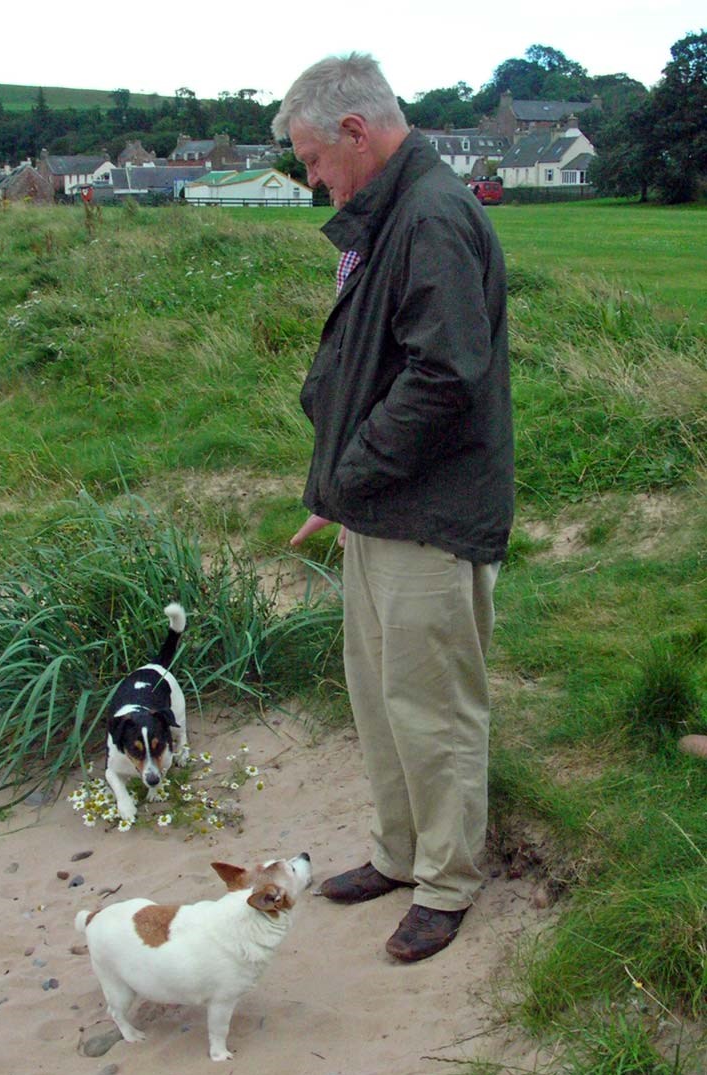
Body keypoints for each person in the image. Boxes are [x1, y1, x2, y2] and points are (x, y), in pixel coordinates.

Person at [272, 54, 514, 963]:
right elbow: (382, 365)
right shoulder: (392, 211)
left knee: (434, 708)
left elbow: (445, 377)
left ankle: (448, 883)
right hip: (381, 506)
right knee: (380, 698)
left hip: (432, 511)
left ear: (355, 133)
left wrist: (350, 474)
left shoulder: (432, 214)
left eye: (312, 159)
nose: (311, 180)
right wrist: (345, 489)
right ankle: (400, 854)